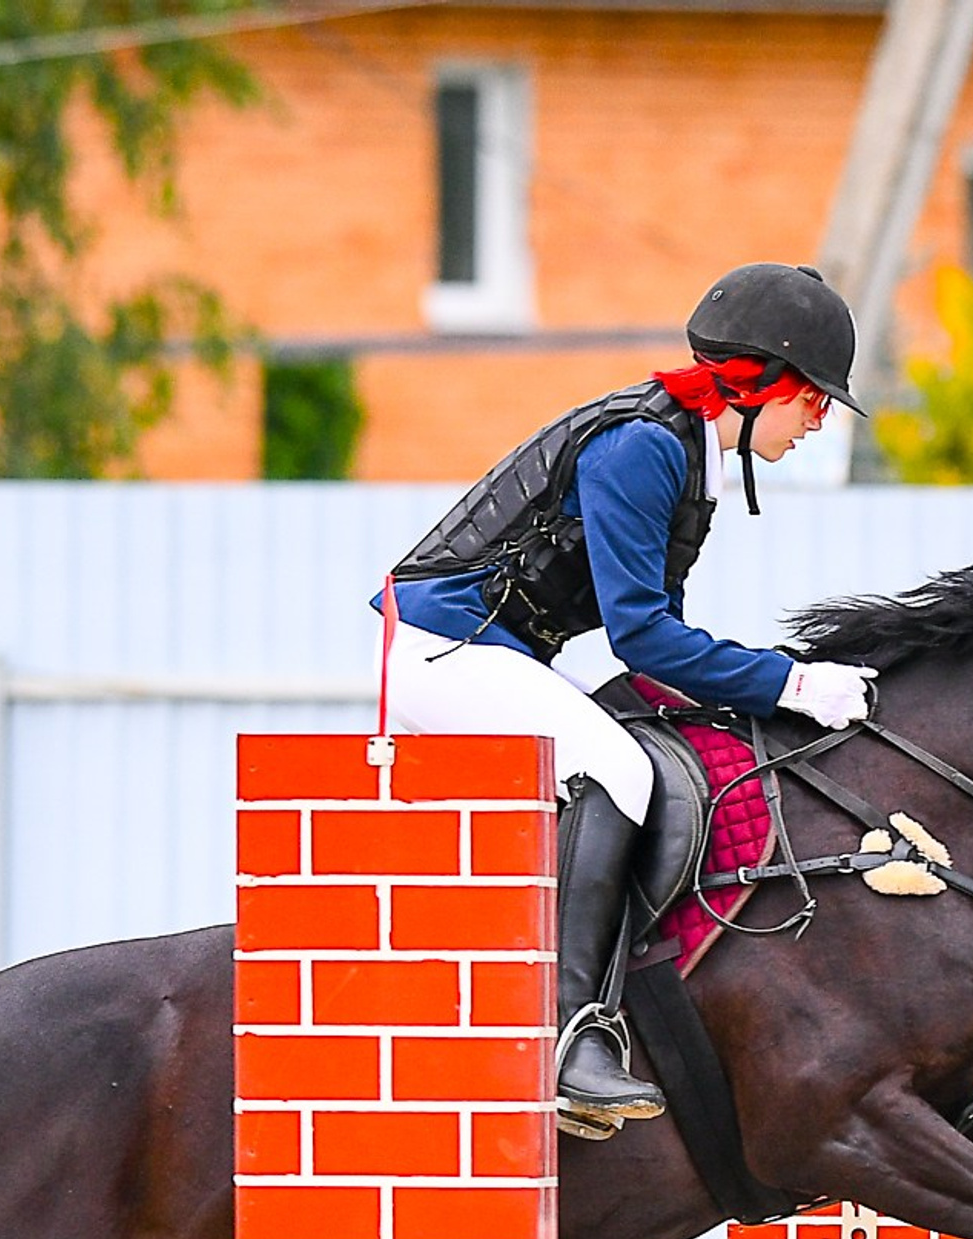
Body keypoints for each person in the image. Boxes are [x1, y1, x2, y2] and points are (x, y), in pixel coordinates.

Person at [376, 263, 879, 1137]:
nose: (818, 423)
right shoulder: (645, 447)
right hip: (442, 647)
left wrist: (755, 695)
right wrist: (791, 683)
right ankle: (572, 1041)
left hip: (496, 649)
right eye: (814, 401)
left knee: (649, 741)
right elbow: (643, 637)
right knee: (617, 770)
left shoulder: (688, 453)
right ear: (761, 384)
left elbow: (656, 642)